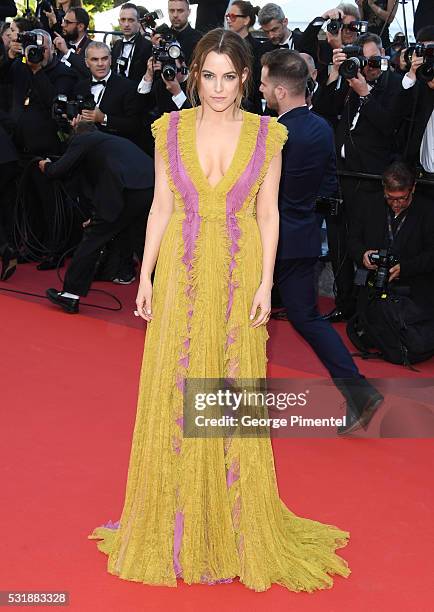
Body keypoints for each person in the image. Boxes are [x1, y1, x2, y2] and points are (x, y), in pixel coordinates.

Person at [88, 28, 353, 592]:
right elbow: (160, 205)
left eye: (229, 76)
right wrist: (146, 273)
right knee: (174, 387)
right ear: (194, 76)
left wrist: (264, 285)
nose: (217, 87)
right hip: (183, 272)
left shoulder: (267, 135)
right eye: (207, 75)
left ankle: (228, 524)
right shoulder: (171, 128)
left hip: (237, 276)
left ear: (246, 79)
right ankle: (176, 522)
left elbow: (268, 216)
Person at [260, 48, 383, 435]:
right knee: (306, 318)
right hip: (306, 238)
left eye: (263, 84)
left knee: (243, 317)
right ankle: (358, 390)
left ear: (280, 89)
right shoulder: (321, 127)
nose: (260, 90)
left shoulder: (274, 134)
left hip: (269, 240)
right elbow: (329, 186)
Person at [314, 32, 402, 322]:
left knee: (366, 245)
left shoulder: (394, 86)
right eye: (362, 61)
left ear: (384, 57)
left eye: (374, 61)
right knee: (338, 241)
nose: (368, 67)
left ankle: (368, 308)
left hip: (371, 180)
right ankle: (344, 301)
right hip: (341, 178)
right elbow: (323, 108)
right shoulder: (349, 80)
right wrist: (334, 74)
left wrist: (365, 93)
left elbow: (389, 129)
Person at [42, 120, 154, 310]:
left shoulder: (84, 140)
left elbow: (59, 170)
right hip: (150, 187)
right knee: (144, 243)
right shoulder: (111, 142)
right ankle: (164, 296)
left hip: (125, 190)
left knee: (93, 239)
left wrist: (46, 166)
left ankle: (70, 294)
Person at [349, 161, 434, 310]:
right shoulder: (367, 204)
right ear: (384, 189)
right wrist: (363, 254)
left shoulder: (428, 211)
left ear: (412, 188)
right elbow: (352, 240)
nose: (396, 204)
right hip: (371, 287)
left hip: (412, 290)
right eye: (390, 198)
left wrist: (405, 268)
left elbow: (431, 254)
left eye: (402, 198)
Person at [73, 41, 144, 144]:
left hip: (115, 148)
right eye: (94, 59)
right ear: (87, 63)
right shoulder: (80, 87)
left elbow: (135, 125)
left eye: (104, 59)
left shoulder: (128, 87)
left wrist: (103, 118)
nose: (100, 64)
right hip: (84, 146)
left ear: (110, 60)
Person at [297, 3, 361, 85]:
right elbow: (303, 45)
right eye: (343, 26)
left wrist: (338, 48)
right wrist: (323, 18)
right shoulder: (324, 48)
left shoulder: (364, 46)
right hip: (325, 94)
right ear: (335, 27)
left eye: (352, 27)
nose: (347, 31)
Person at [225, 0, 263, 113]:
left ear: (246, 20)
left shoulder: (258, 48)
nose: (228, 20)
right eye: (227, 16)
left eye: (233, 16)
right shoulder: (224, 44)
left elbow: (257, 81)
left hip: (250, 107)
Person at [111, 3, 152, 84]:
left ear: (138, 22)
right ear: (119, 22)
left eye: (131, 20)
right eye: (123, 20)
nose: (126, 24)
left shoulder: (148, 46)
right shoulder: (116, 45)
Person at [53, 7, 92, 78]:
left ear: (80, 27)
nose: (62, 25)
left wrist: (67, 52)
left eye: (67, 22)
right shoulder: (63, 43)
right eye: (63, 20)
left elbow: (90, 72)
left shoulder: (92, 48)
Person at [167, 0, 202, 66]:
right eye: (172, 11)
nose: (175, 15)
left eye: (180, 11)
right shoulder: (161, 36)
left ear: (189, 12)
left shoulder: (199, 40)